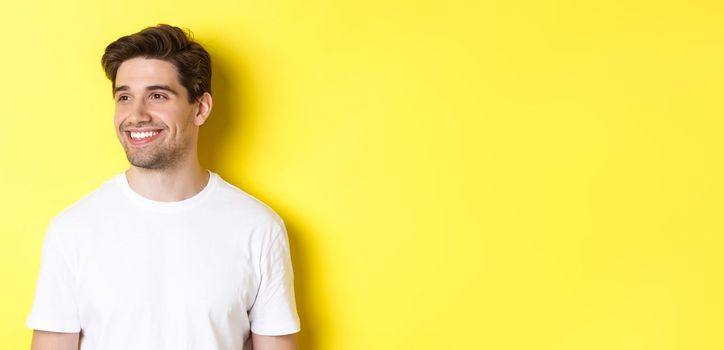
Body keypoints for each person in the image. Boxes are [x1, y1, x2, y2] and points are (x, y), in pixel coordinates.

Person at [26, 24, 300, 350]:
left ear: (200, 108)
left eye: (157, 96)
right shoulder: (72, 230)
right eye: (125, 97)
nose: (136, 115)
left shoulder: (258, 228)